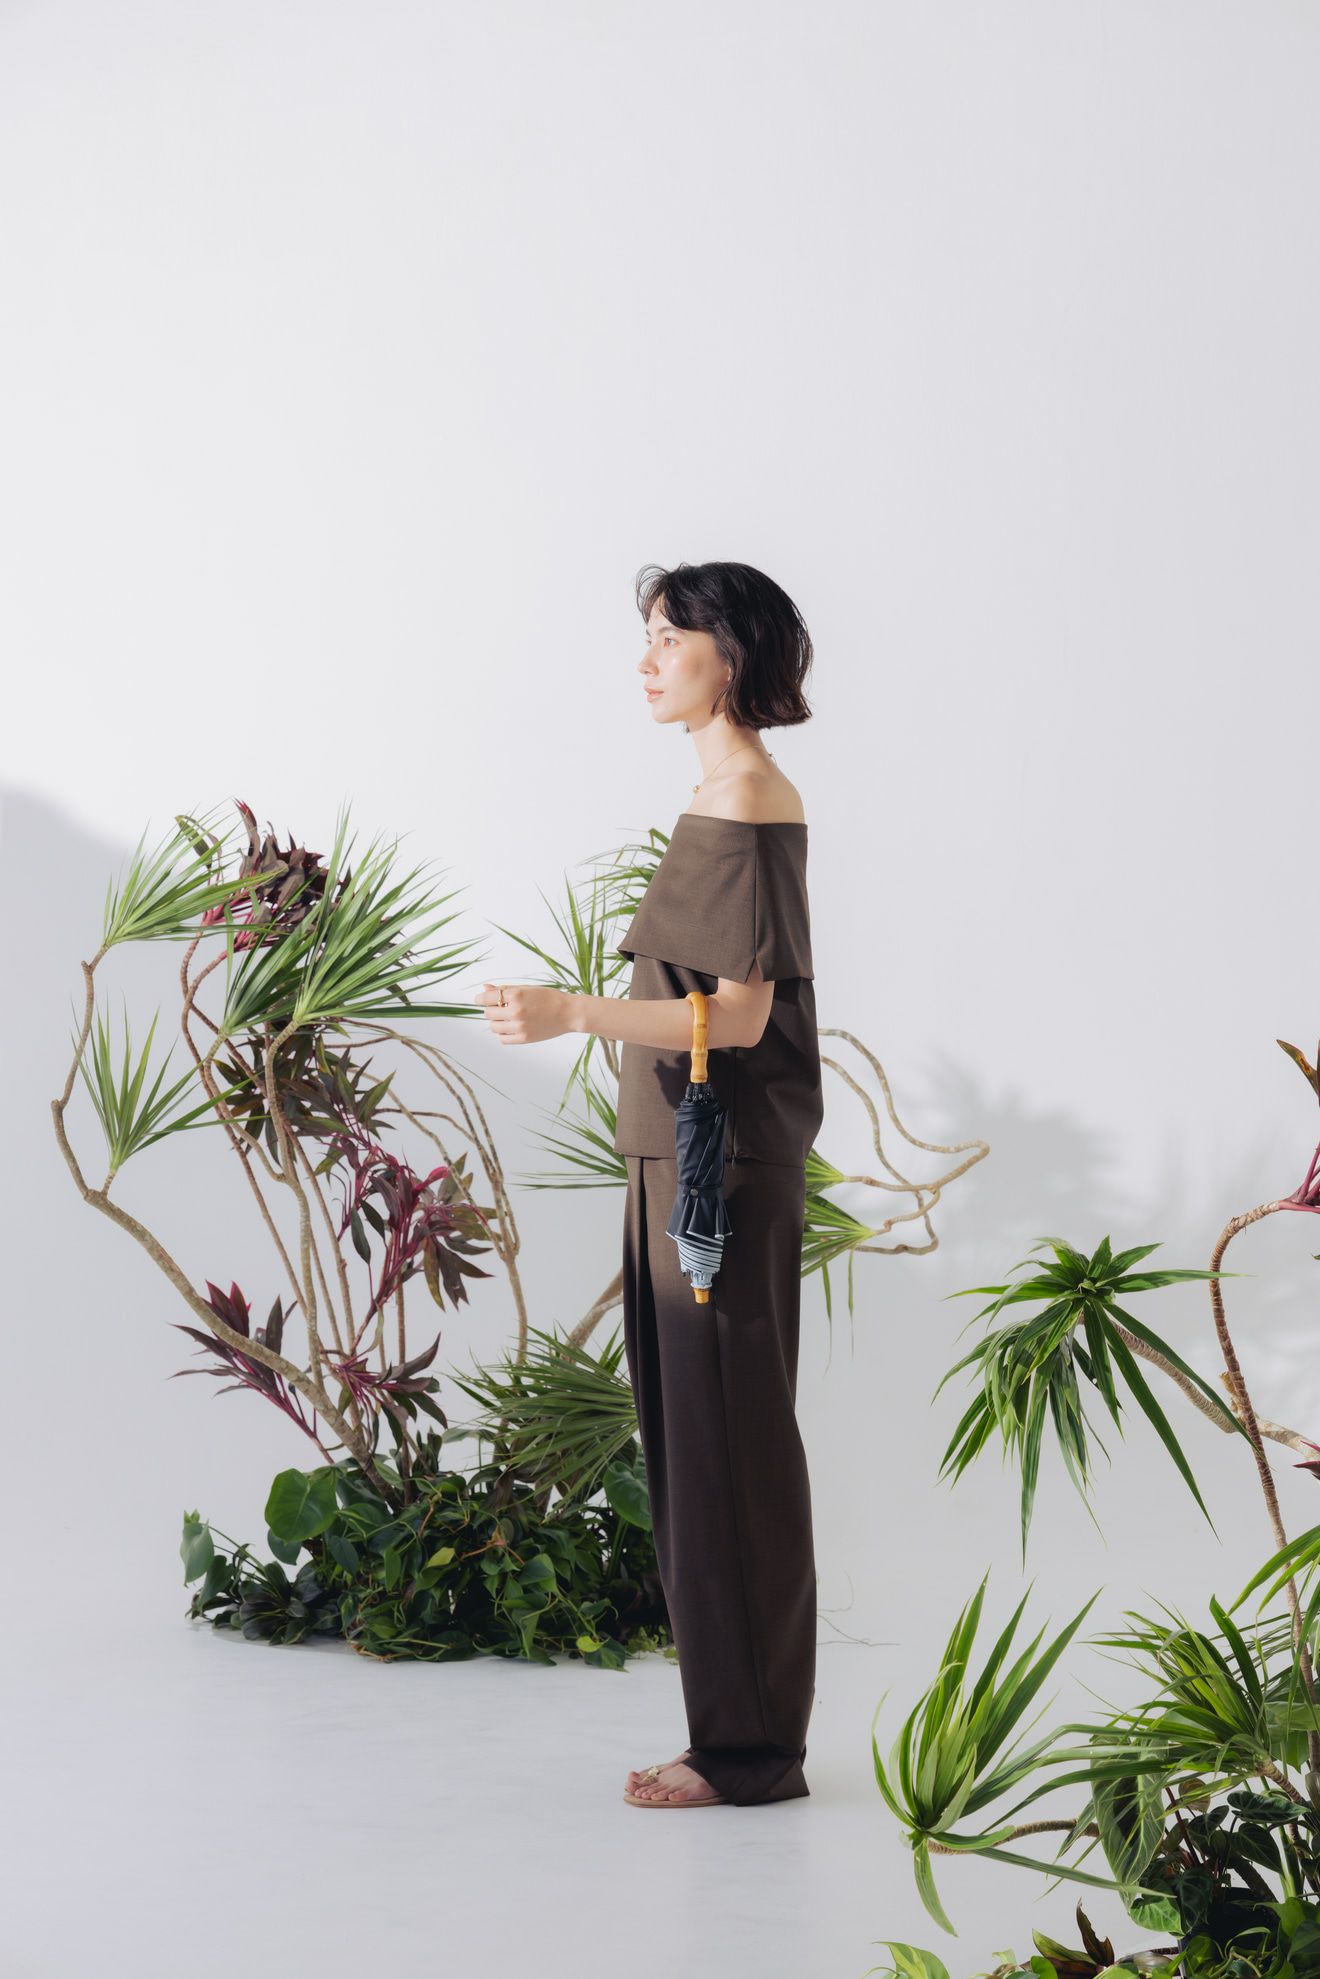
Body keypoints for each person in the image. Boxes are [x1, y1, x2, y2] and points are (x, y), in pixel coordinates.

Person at [475, 559, 824, 1808]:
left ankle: (747, 1752)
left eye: (670, 637)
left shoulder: (748, 799)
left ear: (729, 656)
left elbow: (741, 1015)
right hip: (680, 1155)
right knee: (698, 1450)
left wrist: (569, 1009)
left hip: (713, 1165)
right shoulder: (718, 796)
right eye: (649, 635)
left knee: (726, 1450)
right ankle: (734, 1735)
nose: (647, 659)